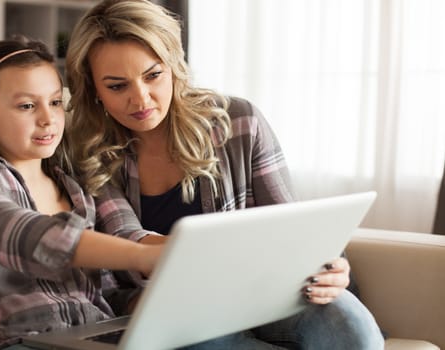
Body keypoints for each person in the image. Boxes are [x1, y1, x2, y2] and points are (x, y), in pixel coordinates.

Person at [64, 0, 385, 349]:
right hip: (178, 307)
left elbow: (286, 220)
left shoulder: (238, 121)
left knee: (352, 328)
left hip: (268, 289)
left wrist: (329, 266)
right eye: (117, 86)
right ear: (93, 88)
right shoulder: (84, 151)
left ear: (173, 65)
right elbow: (128, 240)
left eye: (153, 75)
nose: (141, 99)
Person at [0, 37, 163, 350]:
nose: (48, 119)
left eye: (55, 102)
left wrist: (156, 299)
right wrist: (143, 256)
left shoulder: (78, 181)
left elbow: (116, 266)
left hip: (92, 340)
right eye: (27, 105)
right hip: (12, 341)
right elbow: (4, 228)